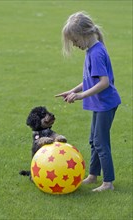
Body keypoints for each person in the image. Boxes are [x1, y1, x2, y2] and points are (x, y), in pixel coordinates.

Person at [55, 12, 121, 192]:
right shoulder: (92, 50)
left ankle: (108, 183)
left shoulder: (97, 53)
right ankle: (92, 175)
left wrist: (82, 96)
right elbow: (90, 80)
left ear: (84, 34)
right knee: (94, 140)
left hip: (106, 104)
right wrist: (73, 91)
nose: (75, 45)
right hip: (100, 103)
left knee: (101, 142)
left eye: (75, 40)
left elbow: (104, 82)